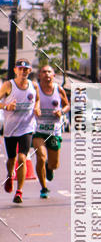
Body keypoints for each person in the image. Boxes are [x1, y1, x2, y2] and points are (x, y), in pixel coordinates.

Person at [0, 59, 40, 204]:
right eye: (20, 69)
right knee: (12, 160)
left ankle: (19, 191)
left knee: (22, 158)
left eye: (26, 69)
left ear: (30, 70)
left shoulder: (34, 85)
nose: (23, 71)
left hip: (27, 127)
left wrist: (37, 108)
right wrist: (6, 106)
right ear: (15, 70)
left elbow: (37, 100)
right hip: (10, 129)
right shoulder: (8, 85)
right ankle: (10, 175)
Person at [33, 64, 70, 199]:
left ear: (53, 75)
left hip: (54, 131)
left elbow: (67, 105)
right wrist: (35, 109)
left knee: (54, 164)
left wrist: (62, 111)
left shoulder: (58, 89)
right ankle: (44, 188)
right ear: (39, 75)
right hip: (38, 129)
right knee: (41, 157)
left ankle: (49, 167)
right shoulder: (35, 89)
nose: (47, 74)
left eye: (49, 72)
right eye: (44, 72)